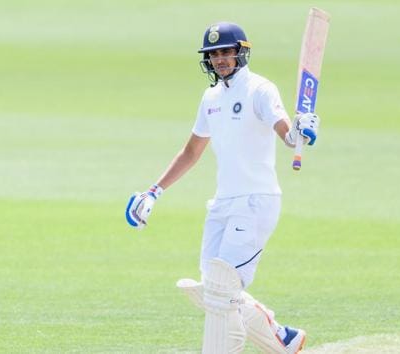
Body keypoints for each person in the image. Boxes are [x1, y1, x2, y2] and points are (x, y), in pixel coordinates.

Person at [125, 22, 319, 354]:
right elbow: (191, 152)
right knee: (212, 290)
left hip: (256, 201)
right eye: (213, 54)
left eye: (225, 52)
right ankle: (282, 340)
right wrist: (153, 192)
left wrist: (301, 130)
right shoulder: (211, 97)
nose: (219, 59)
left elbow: (288, 136)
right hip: (223, 203)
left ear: (241, 52)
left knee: (221, 289)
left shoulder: (260, 89)